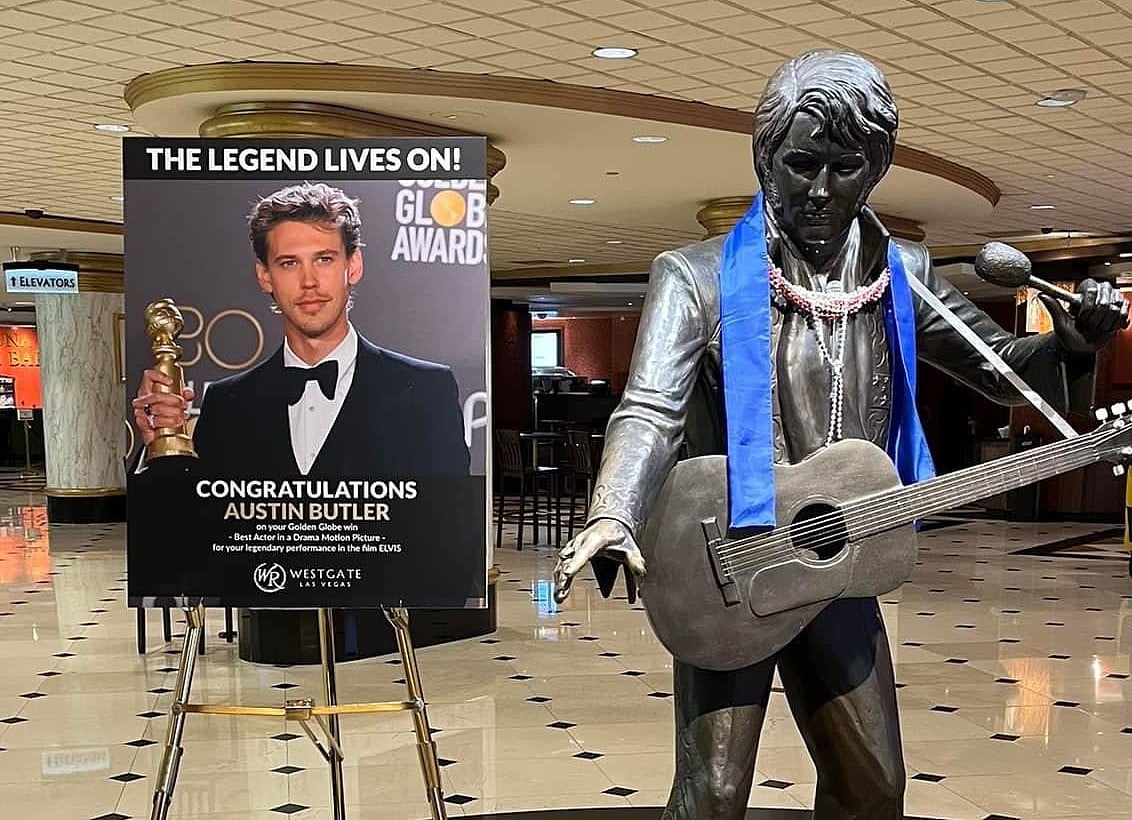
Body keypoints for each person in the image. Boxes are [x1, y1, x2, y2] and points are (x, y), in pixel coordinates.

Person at [554, 50, 1128, 819]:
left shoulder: (905, 275)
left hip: (838, 563)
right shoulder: (694, 275)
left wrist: (1075, 345)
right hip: (728, 560)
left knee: (873, 788)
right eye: (799, 165)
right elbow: (650, 406)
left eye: (844, 168)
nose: (819, 191)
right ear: (765, 159)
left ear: (876, 169)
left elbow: (1003, 371)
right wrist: (613, 511)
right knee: (714, 794)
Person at [132, 182, 469, 478]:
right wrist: (158, 444)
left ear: (353, 266)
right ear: (265, 277)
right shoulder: (227, 403)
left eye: (324, 259)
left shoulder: (425, 390)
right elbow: (200, 526)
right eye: (289, 263)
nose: (309, 282)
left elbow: (444, 522)